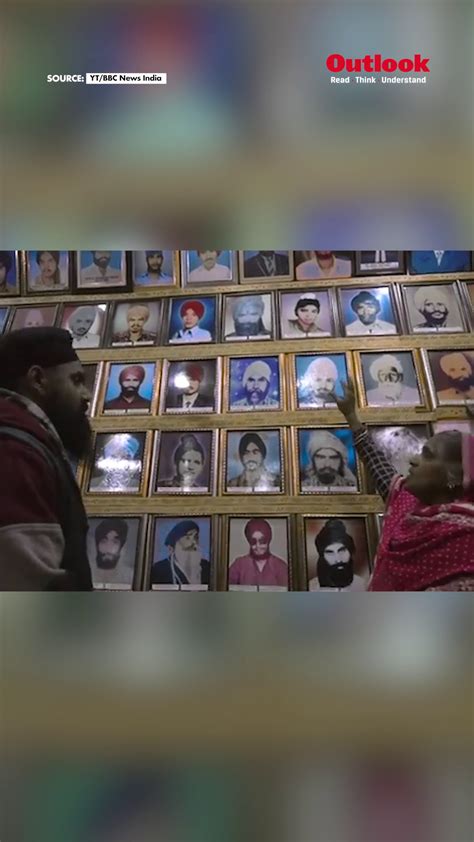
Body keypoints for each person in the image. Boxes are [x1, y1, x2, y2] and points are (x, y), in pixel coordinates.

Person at [334, 379, 474, 590]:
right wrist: (351, 416)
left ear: (454, 476)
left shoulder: (465, 540)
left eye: (428, 455)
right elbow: (376, 463)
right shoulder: (405, 501)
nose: (413, 460)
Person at [0, 327, 93, 590]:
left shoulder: (25, 441)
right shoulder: (14, 451)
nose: (86, 395)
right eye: (76, 380)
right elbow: (27, 585)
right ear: (38, 379)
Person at [308, 519, 367, 591]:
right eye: (330, 553)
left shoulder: (363, 585)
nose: (338, 559)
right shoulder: (312, 587)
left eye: (342, 551)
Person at [229, 518, 288, 587]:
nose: (258, 546)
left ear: (268, 540)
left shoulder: (281, 567)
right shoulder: (239, 565)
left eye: (262, 541)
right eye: (253, 542)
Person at [151, 520, 210, 586]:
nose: (194, 542)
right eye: (188, 538)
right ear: (175, 543)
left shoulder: (206, 566)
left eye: (196, 537)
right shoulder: (159, 569)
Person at [92, 518, 134, 586]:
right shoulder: (85, 574)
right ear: (97, 544)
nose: (108, 548)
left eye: (115, 542)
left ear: (121, 546)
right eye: (103, 541)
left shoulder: (130, 576)